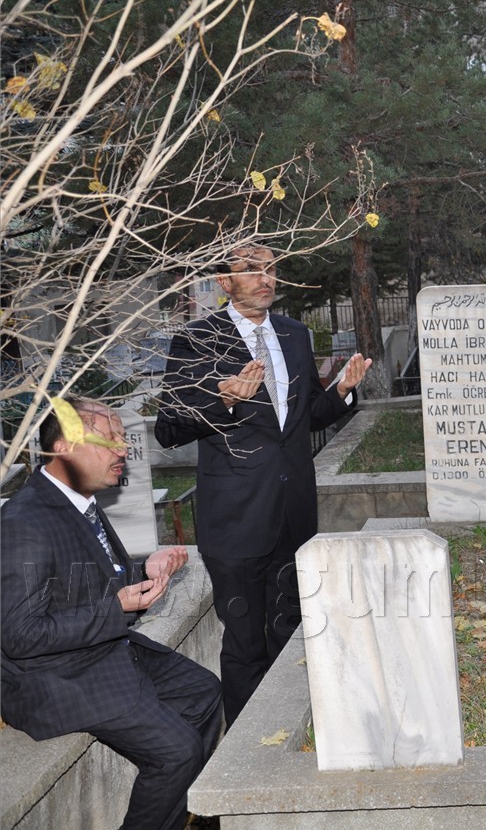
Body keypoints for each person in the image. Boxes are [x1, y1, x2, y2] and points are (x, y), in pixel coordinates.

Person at [155, 244, 371, 725]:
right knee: (246, 642)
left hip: (293, 513)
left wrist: (342, 391)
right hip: (236, 519)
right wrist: (224, 401)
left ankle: (295, 729)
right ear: (225, 283)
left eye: (271, 268)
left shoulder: (294, 334)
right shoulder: (197, 340)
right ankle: (246, 748)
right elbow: (168, 429)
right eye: (250, 270)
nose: (265, 278)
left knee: (294, 630)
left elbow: (308, 418)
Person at [1, 398, 222, 830]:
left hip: (99, 649)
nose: (122, 450)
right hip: (55, 678)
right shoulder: (23, 522)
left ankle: (177, 816)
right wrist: (117, 607)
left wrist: (144, 572)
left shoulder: (77, 499)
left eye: (122, 438)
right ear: (64, 447)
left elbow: (79, 586)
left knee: (205, 693)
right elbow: (20, 635)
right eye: (110, 439)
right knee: (176, 752)